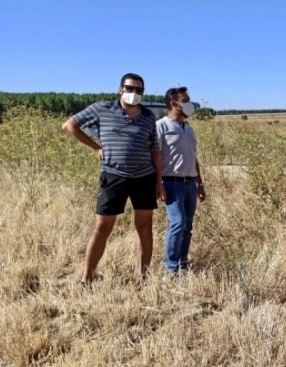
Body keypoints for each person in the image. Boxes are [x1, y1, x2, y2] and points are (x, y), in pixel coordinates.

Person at [61, 73, 163, 285]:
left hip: (144, 177)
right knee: (102, 227)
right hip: (113, 176)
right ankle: (86, 278)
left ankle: (144, 277)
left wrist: (158, 180)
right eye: (130, 88)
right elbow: (69, 126)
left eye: (139, 90)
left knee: (144, 226)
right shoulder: (102, 109)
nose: (134, 93)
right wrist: (96, 147)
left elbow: (154, 150)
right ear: (120, 89)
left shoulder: (148, 117)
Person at [157, 87, 206, 274]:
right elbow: (155, 156)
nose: (189, 104)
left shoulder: (188, 128)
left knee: (187, 226)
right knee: (177, 223)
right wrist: (158, 183)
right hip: (172, 183)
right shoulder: (161, 126)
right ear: (173, 103)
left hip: (190, 183)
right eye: (185, 100)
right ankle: (171, 268)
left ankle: (182, 264)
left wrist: (200, 183)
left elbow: (193, 157)